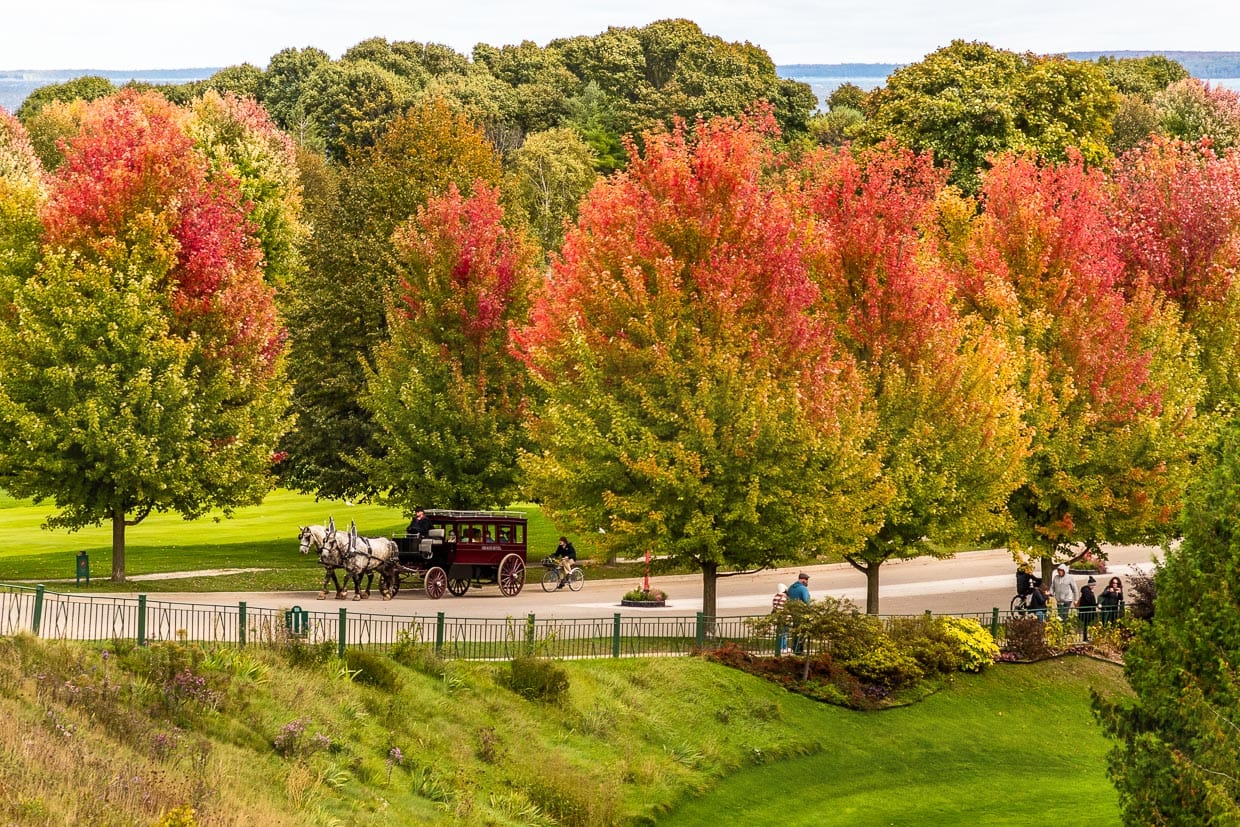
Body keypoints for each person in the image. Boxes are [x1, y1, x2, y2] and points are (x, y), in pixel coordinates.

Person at [786, 572, 811, 653]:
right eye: (806, 580)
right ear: (803, 580)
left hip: (793, 613)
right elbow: (806, 601)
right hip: (801, 613)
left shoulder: (791, 588)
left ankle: (794, 648)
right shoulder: (803, 589)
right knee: (802, 632)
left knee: (795, 631)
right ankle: (799, 649)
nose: (807, 582)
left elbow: (788, 599)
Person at [771, 584, 789, 653]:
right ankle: (783, 647)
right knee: (784, 633)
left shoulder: (775, 597)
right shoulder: (785, 597)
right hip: (785, 617)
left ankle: (780, 647)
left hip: (778, 617)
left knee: (779, 632)